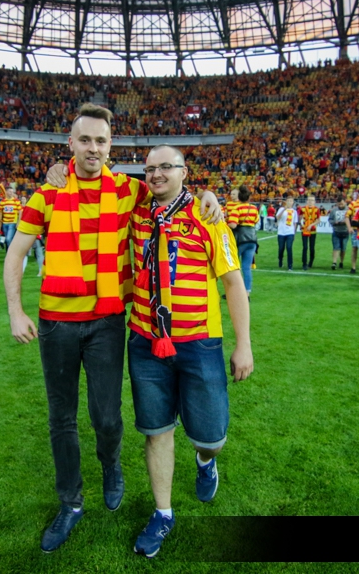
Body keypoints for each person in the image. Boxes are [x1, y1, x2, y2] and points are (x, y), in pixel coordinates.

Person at [5, 105, 221, 553]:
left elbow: (171, 186)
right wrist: (15, 310)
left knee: (106, 416)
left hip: (106, 322)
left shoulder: (127, 189)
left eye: (101, 141)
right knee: (61, 418)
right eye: (84, 140)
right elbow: (16, 253)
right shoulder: (47, 193)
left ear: (110, 146)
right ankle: (70, 502)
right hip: (56, 323)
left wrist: (207, 194)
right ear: (70, 144)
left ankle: (111, 467)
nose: (93, 148)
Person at [127, 146, 253, 558]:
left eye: (166, 166)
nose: (156, 174)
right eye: (150, 168)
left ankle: (205, 460)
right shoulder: (136, 211)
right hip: (145, 342)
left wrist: (244, 344)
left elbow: (233, 283)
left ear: (185, 172)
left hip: (199, 344)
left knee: (212, 437)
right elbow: (96, 178)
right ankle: (163, 513)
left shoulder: (208, 215)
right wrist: (61, 166)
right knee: (156, 431)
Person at [228, 185, 259, 296]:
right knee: (247, 268)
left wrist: (225, 223)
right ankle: (247, 293)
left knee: (234, 267)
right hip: (252, 239)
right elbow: (256, 220)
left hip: (240, 239)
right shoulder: (254, 208)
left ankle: (236, 292)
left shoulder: (237, 208)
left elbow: (233, 225)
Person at [275, 195, 297, 271]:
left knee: (289, 247)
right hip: (281, 232)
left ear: (293, 202)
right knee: (281, 248)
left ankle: (290, 265)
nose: (290, 202)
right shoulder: (281, 209)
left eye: (291, 201)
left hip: (290, 232)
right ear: (286, 202)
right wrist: (284, 209)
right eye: (288, 201)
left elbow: (295, 223)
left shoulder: (294, 211)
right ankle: (280, 260)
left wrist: (294, 233)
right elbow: (277, 217)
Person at [0, 187, 22, 252]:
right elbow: (0, 214)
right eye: (10, 191)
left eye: (12, 192)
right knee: (7, 239)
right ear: (6, 192)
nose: (11, 193)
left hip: (12, 223)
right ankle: (9, 252)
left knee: (8, 239)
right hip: (5, 223)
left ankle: (10, 252)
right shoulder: (2, 202)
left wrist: (18, 223)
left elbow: (20, 212)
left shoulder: (16, 201)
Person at [328, 197, 350, 269]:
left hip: (345, 231)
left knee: (343, 249)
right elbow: (330, 219)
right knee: (336, 247)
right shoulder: (333, 210)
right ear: (337, 203)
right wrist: (335, 222)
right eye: (339, 204)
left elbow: (352, 219)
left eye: (342, 204)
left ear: (345, 203)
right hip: (336, 231)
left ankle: (341, 261)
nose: (340, 205)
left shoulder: (349, 210)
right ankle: (334, 262)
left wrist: (347, 222)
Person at [299, 195, 319, 270]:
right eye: (309, 200)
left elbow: (318, 220)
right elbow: (300, 218)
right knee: (305, 247)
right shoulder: (302, 209)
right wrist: (301, 223)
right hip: (304, 230)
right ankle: (304, 263)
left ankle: (311, 262)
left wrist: (311, 225)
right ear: (307, 201)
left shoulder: (316, 209)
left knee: (312, 247)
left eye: (312, 200)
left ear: (314, 202)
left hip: (313, 230)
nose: (310, 202)